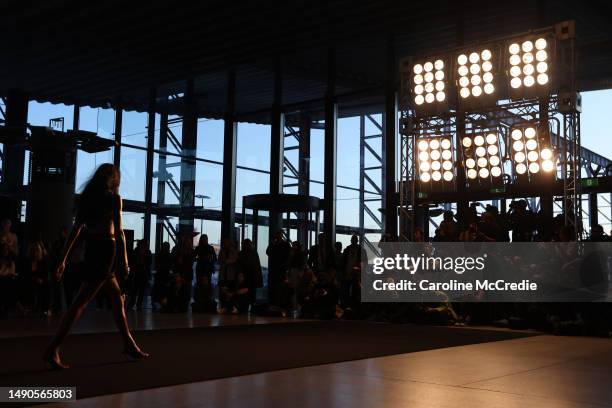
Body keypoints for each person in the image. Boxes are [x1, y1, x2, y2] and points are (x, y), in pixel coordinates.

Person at [43, 163, 149, 369]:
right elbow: (119, 232)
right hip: (106, 251)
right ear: (114, 180)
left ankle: (129, 343)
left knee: (117, 299)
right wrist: (125, 260)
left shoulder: (87, 200)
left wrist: (63, 259)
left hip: (93, 248)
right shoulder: (114, 200)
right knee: (80, 303)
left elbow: (76, 231)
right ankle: (52, 348)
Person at [266, 231, 291, 305]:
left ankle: (277, 302)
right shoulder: (282, 244)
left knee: (279, 286)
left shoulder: (284, 244)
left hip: (279, 268)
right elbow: (268, 252)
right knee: (276, 286)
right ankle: (274, 302)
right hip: (277, 268)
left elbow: (268, 252)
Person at [237, 238, 263, 308]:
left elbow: (239, 264)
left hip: (245, 275)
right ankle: (252, 305)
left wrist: (240, 273)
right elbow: (257, 266)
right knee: (252, 292)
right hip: (252, 275)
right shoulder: (253, 253)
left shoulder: (241, 253)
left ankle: (244, 305)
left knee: (244, 291)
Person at [128, 239, 152, 311]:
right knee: (137, 290)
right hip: (140, 272)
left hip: (140, 272)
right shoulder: (147, 252)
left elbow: (148, 262)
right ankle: (136, 304)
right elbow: (149, 263)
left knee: (138, 290)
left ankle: (134, 304)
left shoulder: (137, 251)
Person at [152, 241, 172, 309]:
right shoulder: (169, 255)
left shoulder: (159, 255)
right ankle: (163, 303)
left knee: (158, 289)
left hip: (160, 274)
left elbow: (157, 265)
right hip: (165, 274)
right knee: (164, 290)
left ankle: (156, 302)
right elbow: (170, 265)